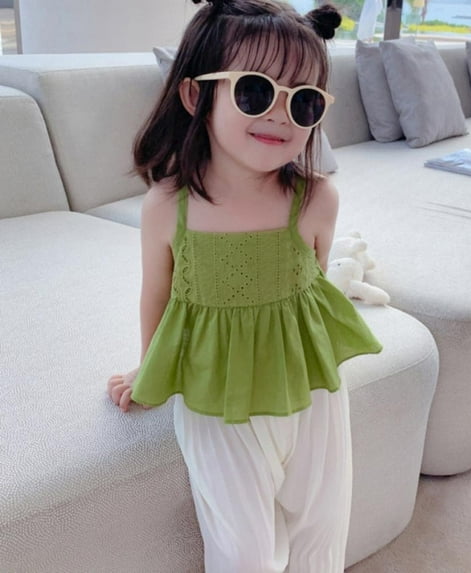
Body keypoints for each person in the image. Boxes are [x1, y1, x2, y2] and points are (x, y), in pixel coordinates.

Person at [107, 0, 382, 570]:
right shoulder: (168, 206)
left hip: (308, 384)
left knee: (323, 524)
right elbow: (157, 294)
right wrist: (148, 368)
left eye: (304, 101)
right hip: (216, 394)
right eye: (255, 92)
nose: (281, 115)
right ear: (195, 95)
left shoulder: (317, 198)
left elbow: (311, 287)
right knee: (242, 549)